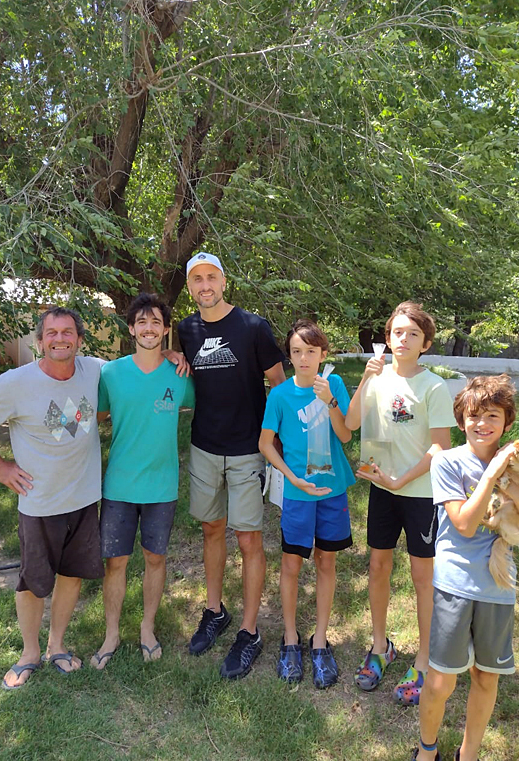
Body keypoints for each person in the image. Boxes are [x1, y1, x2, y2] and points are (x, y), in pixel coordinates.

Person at [0, 307, 105, 689]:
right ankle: (29, 652)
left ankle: (57, 646)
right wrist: (0, 468)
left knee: (72, 577)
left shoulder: (94, 369)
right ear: (39, 341)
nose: (60, 338)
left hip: (85, 499)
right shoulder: (16, 382)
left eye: (68, 332)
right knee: (33, 582)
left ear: (79, 338)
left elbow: (138, 366)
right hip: (40, 503)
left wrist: (173, 355)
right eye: (52, 333)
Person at [177, 252, 285, 679]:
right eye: (197, 279)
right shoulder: (186, 329)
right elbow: (182, 366)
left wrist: (276, 442)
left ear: (224, 282)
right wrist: (171, 354)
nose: (205, 285)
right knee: (211, 530)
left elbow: (279, 385)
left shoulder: (253, 327)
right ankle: (215, 610)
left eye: (212, 277)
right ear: (190, 287)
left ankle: (249, 631)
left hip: (246, 449)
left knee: (249, 540)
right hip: (204, 445)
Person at [345, 301, 455, 705]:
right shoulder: (378, 376)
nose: (402, 339)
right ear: (387, 338)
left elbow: (441, 446)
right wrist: (364, 381)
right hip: (381, 490)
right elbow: (353, 424)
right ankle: (380, 648)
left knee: (422, 577)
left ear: (425, 343)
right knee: (377, 565)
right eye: (396, 332)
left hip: (421, 493)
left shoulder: (434, 387)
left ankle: (424, 661)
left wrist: (402, 479)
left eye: (412, 334)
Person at [412, 375, 517, 761]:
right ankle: (427, 750)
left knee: (486, 677)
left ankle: (467, 754)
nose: (482, 424)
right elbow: (464, 524)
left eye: (493, 415)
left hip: (499, 586)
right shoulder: (447, 462)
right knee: (440, 681)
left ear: (507, 422)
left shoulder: (517, 465)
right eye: (474, 415)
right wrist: (493, 474)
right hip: (455, 584)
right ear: (461, 421)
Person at [91, 293, 194, 669]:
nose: (149, 329)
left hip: (161, 485)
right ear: (131, 328)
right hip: (119, 485)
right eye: (142, 322)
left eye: (156, 323)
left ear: (166, 330)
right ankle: (112, 633)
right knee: (115, 562)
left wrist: (183, 360)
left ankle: (147, 628)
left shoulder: (179, 374)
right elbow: (95, 417)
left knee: (155, 558)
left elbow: (210, 402)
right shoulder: (111, 373)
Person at [259, 319, 355, 688]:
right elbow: (265, 443)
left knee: (326, 560)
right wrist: (289, 476)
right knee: (291, 563)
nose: (303, 358)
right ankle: (289, 639)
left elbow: (345, 435)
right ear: (290, 355)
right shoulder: (280, 395)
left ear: (323, 354)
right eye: (297, 352)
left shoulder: (333, 385)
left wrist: (330, 401)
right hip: (298, 493)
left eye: (311, 352)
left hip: (332, 492)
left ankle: (319, 640)